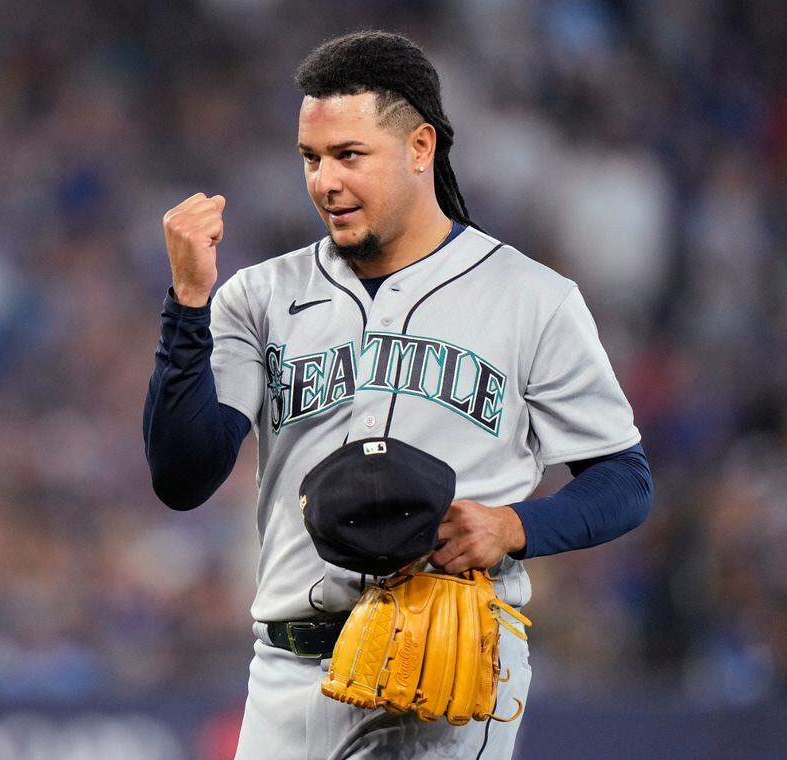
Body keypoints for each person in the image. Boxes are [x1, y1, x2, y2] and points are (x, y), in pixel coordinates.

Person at [143, 30, 653, 760]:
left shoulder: (531, 298)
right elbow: (182, 477)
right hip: (287, 673)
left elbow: (624, 481)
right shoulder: (259, 296)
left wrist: (515, 527)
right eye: (311, 159)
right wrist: (188, 304)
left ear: (420, 148)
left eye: (350, 155)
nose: (324, 181)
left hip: (443, 665)